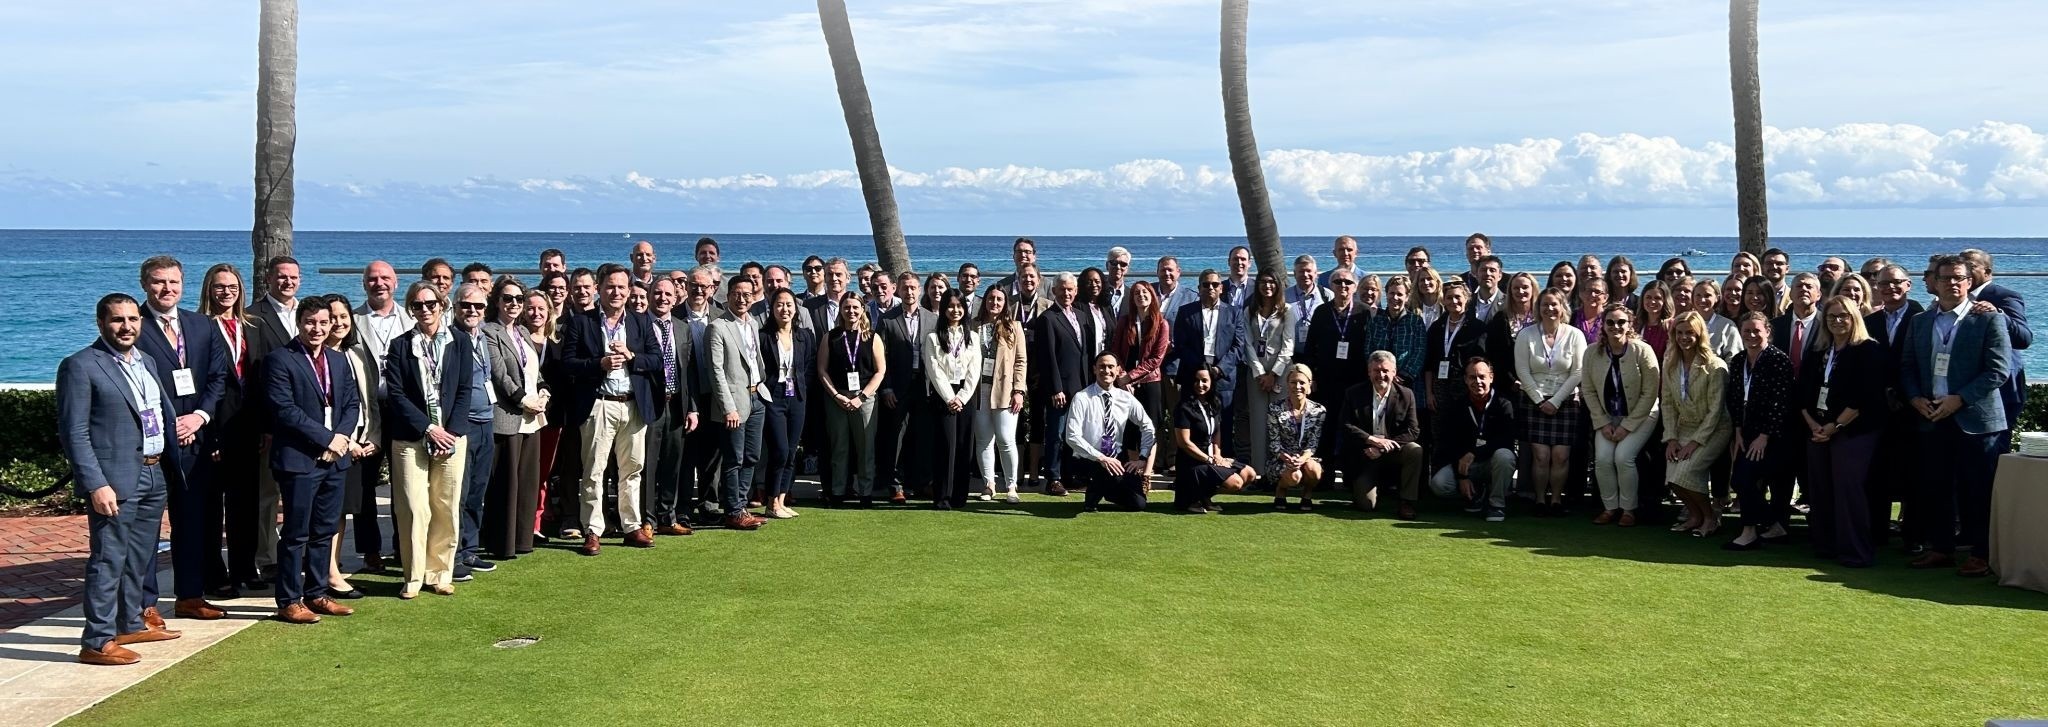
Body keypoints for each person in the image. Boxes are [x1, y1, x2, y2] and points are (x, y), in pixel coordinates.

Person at [61, 294, 183, 664]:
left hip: (153, 471)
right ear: (101, 323)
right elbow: (75, 432)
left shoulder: (145, 360)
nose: (127, 326)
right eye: (117, 320)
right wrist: (96, 483)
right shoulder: (80, 366)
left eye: (133, 319)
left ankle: (129, 621)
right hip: (114, 479)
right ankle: (97, 640)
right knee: (108, 559)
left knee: (139, 556)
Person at [1900, 255, 2012, 576]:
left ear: (1968, 281)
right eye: (1944, 277)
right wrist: (1914, 398)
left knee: (1977, 489)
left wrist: (1959, 399)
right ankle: (1941, 548)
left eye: (1957, 277)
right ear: (1933, 282)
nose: (1951, 283)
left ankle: (1981, 553)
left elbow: (1997, 370)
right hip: (1932, 415)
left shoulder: (1988, 319)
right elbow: (1907, 366)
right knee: (1935, 486)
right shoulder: (1920, 321)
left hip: (1976, 420)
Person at [134, 256, 232, 619]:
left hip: (197, 440)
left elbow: (218, 377)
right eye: (159, 282)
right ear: (146, 284)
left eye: (173, 282)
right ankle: (144, 605)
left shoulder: (202, 325)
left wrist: (199, 417)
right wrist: (169, 424)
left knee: (192, 523)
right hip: (154, 444)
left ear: (183, 284)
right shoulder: (134, 326)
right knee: (146, 527)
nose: (167, 289)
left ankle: (190, 596)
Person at [262, 299, 361, 624]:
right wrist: (326, 439)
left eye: (323, 323)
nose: (317, 329)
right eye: (310, 322)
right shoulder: (280, 360)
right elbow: (284, 410)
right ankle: (289, 600)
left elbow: (350, 403)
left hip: (335, 460)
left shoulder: (338, 359)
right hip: (299, 460)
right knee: (295, 534)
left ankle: (317, 593)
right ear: (299, 323)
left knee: (325, 530)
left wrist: (342, 439)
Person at [560, 266, 664, 554]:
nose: (616, 292)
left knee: (632, 469)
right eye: (610, 287)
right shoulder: (582, 323)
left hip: (633, 404)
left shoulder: (642, 322)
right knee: (594, 470)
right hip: (599, 404)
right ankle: (593, 529)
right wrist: (598, 364)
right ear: (599, 289)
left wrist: (632, 357)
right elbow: (568, 363)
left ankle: (631, 526)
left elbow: (656, 359)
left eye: (621, 287)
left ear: (629, 291)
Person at [383, 282, 473, 597]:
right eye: (418, 305)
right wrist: (427, 427)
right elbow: (395, 393)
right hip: (410, 438)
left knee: (446, 506)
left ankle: (440, 573)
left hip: (451, 436)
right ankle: (413, 576)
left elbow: (464, 389)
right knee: (413, 507)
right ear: (411, 309)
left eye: (431, 304)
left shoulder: (460, 342)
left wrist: (451, 431)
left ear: (442, 305)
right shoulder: (400, 345)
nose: (425, 310)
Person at [1798, 296, 1887, 567]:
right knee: (1820, 488)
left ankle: (1856, 551)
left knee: (1849, 489)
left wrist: (1835, 426)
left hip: (1853, 430)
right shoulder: (1818, 351)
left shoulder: (1868, 350)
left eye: (1843, 316)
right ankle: (1826, 545)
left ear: (1854, 318)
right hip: (1818, 428)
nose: (1837, 321)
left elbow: (1864, 396)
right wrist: (1814, 424)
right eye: (1832, 317)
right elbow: (1802, 392)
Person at [199, 263, 266, 592]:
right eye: (219, 287)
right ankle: (214, 572)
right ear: (209, 290)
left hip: (248, 429)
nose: (226, 292)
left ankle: (245, 567)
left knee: (246, 503)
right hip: (214, 428)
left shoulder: (254, 326)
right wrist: (207, 434)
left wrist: (265, 429)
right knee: (213, 506)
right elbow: (198, 386)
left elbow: (263, 381)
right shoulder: (198, 328)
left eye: (232, 287)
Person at [243, 255, 302, 582]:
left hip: (307, 423)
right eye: (281, 277)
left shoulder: (308, 314)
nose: (287, 282)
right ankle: (266, 556)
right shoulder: (253, 316)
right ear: (268, 280)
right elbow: (253, 376)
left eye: (293, 277)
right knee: (268, 494)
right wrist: (263, 426)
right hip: (272, 423)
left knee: (300, 492)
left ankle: (298, 550)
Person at [350, 260, 410, 573]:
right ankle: (370, 550)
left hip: (401, 411)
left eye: (385, 278)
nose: (379, 283)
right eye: (372, 279)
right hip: (367, 411)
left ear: (396, 283)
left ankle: (404, 545)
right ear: (364, 284)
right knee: (365, 486)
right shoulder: (352, 320)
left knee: (404, 481)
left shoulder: (410, 317)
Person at [482, 279, 548, 560]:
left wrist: (544, 392)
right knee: (505, 485)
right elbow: (499, 374)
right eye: (508, 298)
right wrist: (523, 399)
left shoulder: (522, 331)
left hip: (533, 417)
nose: (514, 304)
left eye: (519, 299)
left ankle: (523, 539)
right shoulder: (489, 332)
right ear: (497, 301)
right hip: (508, 416)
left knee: (527, 481)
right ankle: (502, 543)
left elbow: (534, 371)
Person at [1581, 303, 1661, 526]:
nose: (1615, 326)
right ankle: (1610, 508)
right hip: (1607, 418)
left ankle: (1628, 510)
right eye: (1610, 322)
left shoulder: (1642, 350)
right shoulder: (1591, 353)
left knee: (1623, 457)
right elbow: (1587, 389)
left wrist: (1628, 425)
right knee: (1603, 460)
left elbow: (1650, 392)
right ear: (1603, 325)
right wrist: (1602, 422)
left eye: (1621, 322)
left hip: (1642, 416)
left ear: (1629, 324)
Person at [1723, 312, 1795, 551]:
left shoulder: (1778, 360)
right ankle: (1773, 525)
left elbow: (1780, 401)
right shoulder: (1739, 360)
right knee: (1739, 479)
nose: (1752, 335)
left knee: (1744, 478)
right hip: (1746, 431)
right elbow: (1735, 397)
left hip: (1772, 435)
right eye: (1747, 331)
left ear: (1767, 332)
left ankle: (1749, 531)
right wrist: (1738, 431)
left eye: (1757, 331)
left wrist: (1764, 436)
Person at [706, 275, 774, 529]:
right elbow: (716, 371)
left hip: (757, 397)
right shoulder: (718, 327)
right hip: (734, 403)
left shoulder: (753, 323)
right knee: (733, 458)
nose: (742, 298)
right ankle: (733, 510)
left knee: (752, 456)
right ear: (728, 295)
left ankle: (742, 506)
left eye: (747, 294)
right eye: (737, 293)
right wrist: (728, 408)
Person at [1863, 263, 1923, 549]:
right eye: (1884, 284)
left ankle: (1913, 536)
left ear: (1908, 285)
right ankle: (1877, 533)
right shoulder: (1870, 322)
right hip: (1879, 409)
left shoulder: (1921, 317)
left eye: (1896, 283)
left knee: (1913, 475)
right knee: (1877, 474)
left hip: (1913, 408)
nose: (1890, 288)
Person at [318, 295, 373, 600]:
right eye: (332, 317)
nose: (339, 323)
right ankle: (328, 573)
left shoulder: (356, 354)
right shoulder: (317, 356)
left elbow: (367, 402)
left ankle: (332, 567)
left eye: (344, 317)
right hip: (331, 446)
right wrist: (344, 441)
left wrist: (370, 437)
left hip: (359, 445)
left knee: (342, 512)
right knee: (327, 512)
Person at [1513, 288, 1587, 515]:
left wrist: (1555, 401)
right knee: (1541, 456)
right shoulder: (1526, 334)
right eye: (1545, 304)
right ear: (1538, 308)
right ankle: (1539, 500)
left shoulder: (1575, 334)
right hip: (1534, 400)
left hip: (1565, 400)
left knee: (1560, 456)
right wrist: (1539, 400)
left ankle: (1556, 500)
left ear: (1563, 308)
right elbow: (1522, 371)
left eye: (1555, 304)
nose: (1550, 309)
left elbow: (1578, 372)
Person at [1659, 312, 1731, 537]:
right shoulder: (1670, 363)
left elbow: (1715, 411)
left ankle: (1710, 518)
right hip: (1684, 427)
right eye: (1679, 333)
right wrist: (1671, 438)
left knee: (1686, 473)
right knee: (1672, 476)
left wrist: (1694, 442)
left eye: (1690, 332)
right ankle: (1695, 515)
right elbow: (1668, 404)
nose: (1684, 337)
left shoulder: (1715, 365)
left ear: (1699, 334)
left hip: (1714, 429)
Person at [447, 284, 499, 580]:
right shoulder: (450, 339)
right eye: (466, 305)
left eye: (478, 307)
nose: (472, 311)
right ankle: (452, 555)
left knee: (477, 491)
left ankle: (470, 549)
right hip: (461, 425)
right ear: (455, 307)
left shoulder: (483, 336)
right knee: (458, 492)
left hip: (486, 420)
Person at [640, 277, 700, 535]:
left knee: (673, 462)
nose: (662, 298)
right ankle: (648, 519)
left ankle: (668, 515)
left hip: (677, 404)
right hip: (650, 404)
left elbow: (691, 370)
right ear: (650, 295)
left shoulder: (682, 327)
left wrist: (693, 407)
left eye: (668, 294)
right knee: (648, 464)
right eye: (657, 293)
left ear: (676, 299)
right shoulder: (638, 325)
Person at [1064, 353, 1157, 512]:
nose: (1106, 371)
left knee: (1138, 503)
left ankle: (1103, 489)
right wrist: (1101, 458)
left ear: (1118, 370)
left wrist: (1142, 458)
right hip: (1089, 458)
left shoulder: (1125, 398)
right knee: (1103, 471)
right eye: (1101, 366)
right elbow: (1072, 436)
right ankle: (1095, 489)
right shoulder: (1082, 398)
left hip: (1117, 457)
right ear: (1094, 369)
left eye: (1110, 367)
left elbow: (1148, 426)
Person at [1428, 357, 1518, 522]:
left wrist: (1474, 453)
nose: (1478, 381)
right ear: (1465, 379)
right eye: (1472, 377)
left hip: (1491, 462)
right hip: (1468, 465)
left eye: (1482, 376)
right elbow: (1451, 444)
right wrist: (1462, 477)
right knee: (1439, 484)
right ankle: (1475, 494)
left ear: (1491, 377)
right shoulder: (1458, 406)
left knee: (1505, 456)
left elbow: (1505, 440)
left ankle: (1496, 504)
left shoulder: (1504, 403)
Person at [1960, 248, 2032, 454]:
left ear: (1987, 272)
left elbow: (2023, 338)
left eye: (1971, 266)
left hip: (2001, 390)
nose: (1964, 270)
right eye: (1961, 265)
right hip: (1966, 389)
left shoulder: (2003, 296)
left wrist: (1998, 314)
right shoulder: (1954, 298)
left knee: (1993, 454)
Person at [819, 293, 887, 505]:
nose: (851, 312)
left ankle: (865, 493)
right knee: (839, 447)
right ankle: (838, 492)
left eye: (855, 307)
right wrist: (836, 395)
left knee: (865, 448)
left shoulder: (872, 337)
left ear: (863, 309)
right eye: (847, 307)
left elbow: (880, 370)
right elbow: (822, 370)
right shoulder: (830, 337)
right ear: (840, 310)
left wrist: (863, 396)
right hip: (837, 399)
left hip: (865, 399)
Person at [1172, 270, 1249, 457]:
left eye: (1215, 284)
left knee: (1224, 423)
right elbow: (1181, 344)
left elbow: (1238, 346)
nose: (1211, 288)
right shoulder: (1185, 312)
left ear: (1221, 288)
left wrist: (1219, 369)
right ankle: (1193, 466)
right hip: (1193, 376)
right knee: (1191, 424)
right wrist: (1202, 370)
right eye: (1206, 285)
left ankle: (1225, 468)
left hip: (1223, 377)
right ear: (1199, 288)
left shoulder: (1234, 313)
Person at [1339, 351, 1424, 517]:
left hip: (1392, 451)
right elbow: (1345, 425)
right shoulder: (1353, 393)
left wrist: (1383, 447)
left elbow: (1413, 431)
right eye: (1376, 371)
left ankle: (1407, 501)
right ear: (1369, 372)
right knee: (1366, 505)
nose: (1381, 375)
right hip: (1365, 454)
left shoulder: (1406, 395)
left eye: (1385, 371)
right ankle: (1368, 489)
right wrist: (1371, 440)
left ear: (1394, 372)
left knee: (1415, 450)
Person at [920, 290, 983, 510]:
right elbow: (934, 370)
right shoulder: (933, 337)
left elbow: (975, 371)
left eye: (959, 306)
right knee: (946, 446)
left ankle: (959, 496)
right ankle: (942, 496)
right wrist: (950, 398)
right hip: (943, 395)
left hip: (966, 395)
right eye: (950, 306)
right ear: (943, 309)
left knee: (965, 446)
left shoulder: (972, 337)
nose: (955, 310)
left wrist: (963, 397)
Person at [876, 272, 935, 502]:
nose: (909, 292)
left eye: (913, 288)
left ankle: (922, 482)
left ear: (919, 290)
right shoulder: (887, 320)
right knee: (896, 437)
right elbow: (881, 357)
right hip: (897, 386)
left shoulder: (931, 318)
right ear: (897, 291)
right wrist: (886, 388)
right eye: (905, 288)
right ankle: (895, 484)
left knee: (923, 435)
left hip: (924, 385)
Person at [1035, 272, 1095, 495]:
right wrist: (1055, 388)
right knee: (1056, 434)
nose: (1066, 293)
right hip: (1060, 389)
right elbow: (1047, 357)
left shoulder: (1081, 316)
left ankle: (1070, 475)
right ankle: (1053, 478)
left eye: (1070, 289)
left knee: (1074, 434)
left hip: (1080, 387)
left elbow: (1085, 354)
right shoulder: (1048, 319)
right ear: (1054, 291)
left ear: (1076, 291)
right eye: (1062, 289)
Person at [1172, 365, 1256, 514]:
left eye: (1204, 380)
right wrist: (1209, 459)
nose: (1200, 385)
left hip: (1210, 458)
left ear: (1211, 382)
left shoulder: (1213, 404)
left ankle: (1204, 496)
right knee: (1236, 483)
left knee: (1249, 474)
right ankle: (1193, 498)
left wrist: (1218, 455)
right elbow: (1184, 443)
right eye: (1196, 381)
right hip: (1192, 463)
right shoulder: (1183, 407)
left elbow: (1216, 433)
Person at [760, 288, 815, 519]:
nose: (785, 309)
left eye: (789, 305)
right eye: (779, 305)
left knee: (792, 452)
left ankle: (782, 499)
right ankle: (771, 502)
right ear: (772, 309)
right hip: (773, 396)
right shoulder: (763, 336)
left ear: (796, 308)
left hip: (797, 396)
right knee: (780, 450)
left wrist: (804, 388)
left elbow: (809, 365)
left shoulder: (804, 336)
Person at [973, 288, 1029, 503]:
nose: (994, 302)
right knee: (984, 440)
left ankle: (1011, 486)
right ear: (984, 301)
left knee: (1006, 440)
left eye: (999, 299)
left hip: (1005, 391)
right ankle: (989, 484)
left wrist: (1018, 390)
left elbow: (1021, 361)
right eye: (990, 298)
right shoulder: (973, 326)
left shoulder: (1013, 327)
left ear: (1005, 303)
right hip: (978, 391)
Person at [518, 289, 561, 548]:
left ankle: (536, 522)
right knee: (523, 471)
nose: (536, 313)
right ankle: (521, 522)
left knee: (543, 471)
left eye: (541, 309)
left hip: (551, 416)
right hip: (520, 415)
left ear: (549, 312)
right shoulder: (516, 338)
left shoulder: (557, 341)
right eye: (531, 308)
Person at [1242, 270, 1295, 476]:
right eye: (1263, 282)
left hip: (1280, 372)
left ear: (1278, 285)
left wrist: (1273, 373)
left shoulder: (1287, 311)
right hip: (1256, 374)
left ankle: (1279, 471)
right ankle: (1258, 472)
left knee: (1280, 421)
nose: (1267, 286)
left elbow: (1288, 344)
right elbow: (1247, 343)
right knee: (1258, 422)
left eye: (1272, 282)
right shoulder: (1249, 311)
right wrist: (1259, 372)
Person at [1111, 281, 1169, 448]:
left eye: (1145, 292)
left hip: (1150, 381)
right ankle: (1132, 468)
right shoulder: (1124, 321)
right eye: (1137, 293)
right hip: (1124, 383)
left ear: (1152, 296)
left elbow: (1156, 359)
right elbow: (1115, 352)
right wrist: (1121, 376)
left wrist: (1130, 377)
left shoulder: (1161, 324)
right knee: (1128, 427)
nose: (1141, 295)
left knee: (1150, 426)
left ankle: (1147, 469)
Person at [1424, 282, 1487, 432]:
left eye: (1458, 297)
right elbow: (1428, 363)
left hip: (1466, 386)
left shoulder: (1477, 327)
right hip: (1439, 387)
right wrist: (1429, 393)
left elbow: (1482, 360)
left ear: (1466, 299)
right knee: (1440, 431)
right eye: (1449, 298)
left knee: (1464, 430)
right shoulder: (1436, 327)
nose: (1454, 301)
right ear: (1443, 301)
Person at [1266, 364, 1327, 511]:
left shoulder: (1319, 411)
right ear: (1287, 384)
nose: (1297, 386)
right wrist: (1288, 459)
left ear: (1309, 385)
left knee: (1314, 470)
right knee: (1294, 476)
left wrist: (1302, 459)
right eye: (1293, 382)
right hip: (1281, 459)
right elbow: (1274, 443)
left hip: (1305, 458)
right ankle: (1280, 490)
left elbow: (1313, 443)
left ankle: (1307, 495)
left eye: (1302, 382)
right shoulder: (1275, 408)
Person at [1483, 272, 1539, 406]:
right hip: (1510, 385)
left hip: (1539, 382)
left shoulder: (1541, 317)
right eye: (1516, 288)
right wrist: (1511, 381)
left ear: (1533, 289)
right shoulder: (1501, 318)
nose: (1520, 291)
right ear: (1510, 291)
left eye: (1525, 287)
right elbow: (1495, 354)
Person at [1772, 272, 1825, 376]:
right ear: (1791, 294)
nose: (1804, 289)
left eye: (1809, 287)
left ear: (1819, 295)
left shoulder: (1827, 325)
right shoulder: (1775, 325)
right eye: (1799, 286)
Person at [1289, 254, 1332, 345]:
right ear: (1294, 274)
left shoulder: (1327, 295)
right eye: (1301, 271)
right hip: (1292, 353)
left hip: (1318, 352)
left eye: (1309, 271)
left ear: (1316, 273)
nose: (1305, 275)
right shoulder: (1284, 296)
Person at [1636, 280, 1676, 357]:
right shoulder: (1636, 324)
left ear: (1665, 301)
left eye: (1657, 298)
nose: (1652, 301)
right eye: (1648, 297)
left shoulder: (1671, 326)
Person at [1468, 255, 1506, 323]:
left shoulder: (1508, 303)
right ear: (1476, 274)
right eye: (1483, 270)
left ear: (1500, 276)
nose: (1488, 273)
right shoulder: (1467, 302)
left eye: (1492, 270)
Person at [1103, 247, 1132, 314]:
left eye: (1123, 264)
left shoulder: (1131, 295)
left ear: (1127, 268)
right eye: (1114, 263)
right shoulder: (1097, 292)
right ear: (1107, 265)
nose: (1118, 267)